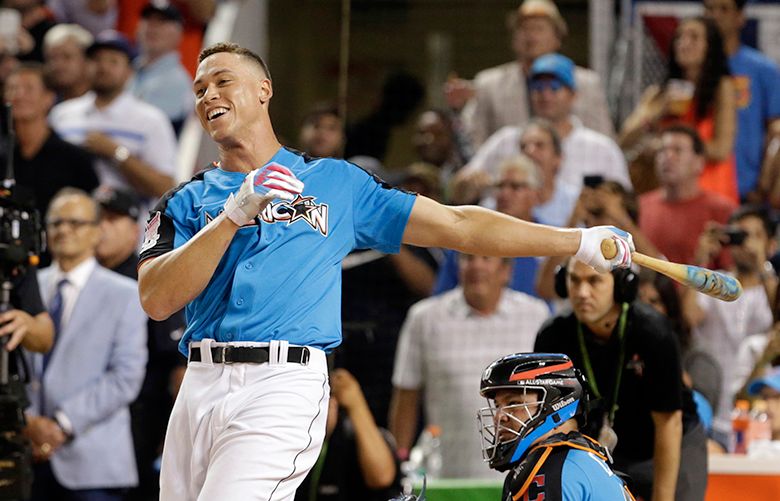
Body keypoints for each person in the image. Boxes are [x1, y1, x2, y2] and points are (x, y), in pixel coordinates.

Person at [136, 42, 634, 500]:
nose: (208, 96)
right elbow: (156, 299)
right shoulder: (185, 200)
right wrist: (233, 216)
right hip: (198, 384)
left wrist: (577, 241)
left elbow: (459, 224)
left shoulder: (335, 182)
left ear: (264, 90)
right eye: (200, 89)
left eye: (222, 81)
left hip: (280, 382)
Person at [535, 260, 707, 501]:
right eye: (574, 280)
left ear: (620, 285)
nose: (582, 292)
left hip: (672, 440)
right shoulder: (552, 336)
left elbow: (669, 422)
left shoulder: (653, 332)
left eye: (594, 281)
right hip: (608, 445)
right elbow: (557, 419)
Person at [26, 188, 147, 500]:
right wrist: (27, 422)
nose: (64, 230)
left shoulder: (125, 294)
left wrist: (59, 425)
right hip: (23, 454)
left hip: (92, 462)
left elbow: (125, 377)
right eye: (56, 223)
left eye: (76, 223)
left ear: (96, 233)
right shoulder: (24, 290)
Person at [390, 254, 550, 479]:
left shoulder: (536, 315)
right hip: (446, 476)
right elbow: (406, 396)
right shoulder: (424, 318)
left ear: (506, 271)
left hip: (521, 474)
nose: (476, 265)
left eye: (486, 258)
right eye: (468, 258)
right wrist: (400, 462)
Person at [448, 0, 613, 147]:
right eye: (524, 29)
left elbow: (604, 139)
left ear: (558, 38)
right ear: (513, 39)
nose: (531, 36)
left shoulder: (586, 83)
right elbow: (474, 142)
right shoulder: (488, 84)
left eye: (539, 28)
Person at [477, 352, 634, 500]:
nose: (499, 417)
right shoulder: (578, 460)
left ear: (556, 405)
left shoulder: (551, 470)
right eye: (497, 406)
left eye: (513, 403)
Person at [463, 53, 630, 192]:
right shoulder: (506, 140)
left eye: (554, 87)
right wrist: (470, 183)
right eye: (538, 87)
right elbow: (462, 187)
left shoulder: (601, 148)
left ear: (573, 94)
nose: (545, 95)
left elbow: (624, 203)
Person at [49, 30, 178, 208]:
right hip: (72, 221)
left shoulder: (151, 120)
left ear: (129, 71)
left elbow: (166, 187)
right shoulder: (62, 115)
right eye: (97, 60)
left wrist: (116, 152)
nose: (103, 67)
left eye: (113, 61)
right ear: (86, 66)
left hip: (127, 226)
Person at [683, 204, 775, 446]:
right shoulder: (714, 282)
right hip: (710, 413)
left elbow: (778, 319)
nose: (747, 244)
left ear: (771, 243)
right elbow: (690, 317)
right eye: (740, 235)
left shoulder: (772, 287)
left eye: (755, 235)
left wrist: (762, 263)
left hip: (757, 416)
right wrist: (700, 260)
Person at [620, 16, 737, 203]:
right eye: (679, 37)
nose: (684, 43)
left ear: (710, 46)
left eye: (694, 37)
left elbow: (721, 149)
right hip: (666, 194)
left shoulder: (722, 88)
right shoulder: (659, 93)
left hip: (709, 191)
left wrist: (670, 147)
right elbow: (625, 139)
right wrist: (657, 114)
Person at [703, 0, 780, 201]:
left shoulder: (764, 69)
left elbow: (776, 130)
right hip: (700, 183)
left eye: (724, 9)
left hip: (746, 185)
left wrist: (764, 182)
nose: (715, 16)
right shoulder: (693, 68)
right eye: (709, 9)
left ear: (740, 17)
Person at [3, 62, 99, 218]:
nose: (19, 95)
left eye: (29, 88)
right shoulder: (3, 155)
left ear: (49, 98)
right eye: (12, 88)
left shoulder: (74, 159)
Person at [294, 368, 399, 501]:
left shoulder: (349, 433)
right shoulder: (288, 434)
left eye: (328, 399)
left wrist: (356, 405)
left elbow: (382, 477)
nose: (324, 408)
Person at [639, 125, 736, 268]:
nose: (668, 157)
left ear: (699, 162)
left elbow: (732, 272)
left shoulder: (722, 210)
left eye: (677, 151)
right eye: (662, 150)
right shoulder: (640, 206)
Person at [131, 1, 194, 135]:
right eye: (148, 19)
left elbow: (146, 131)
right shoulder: (128, 70)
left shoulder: (177, 81)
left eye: (162, 22)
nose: (153, 27)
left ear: (178, 33)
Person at [42, 24, 94, 103]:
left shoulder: (106, 98)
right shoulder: (45, 104)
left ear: (87, 60)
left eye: (67, 57)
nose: (58, 65)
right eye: (52, 58)